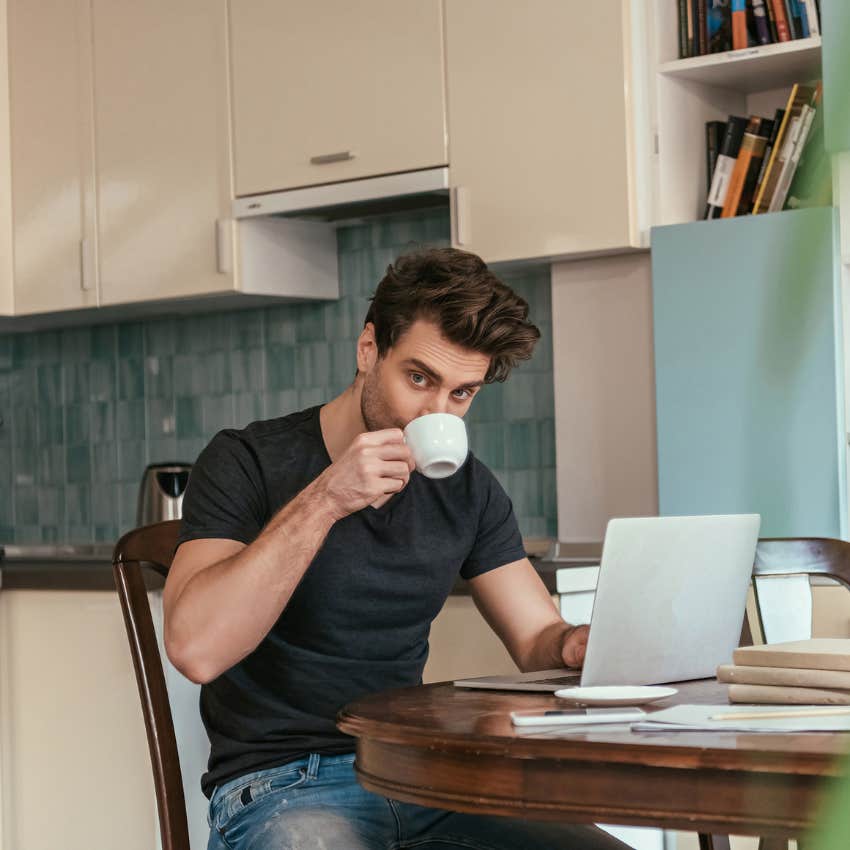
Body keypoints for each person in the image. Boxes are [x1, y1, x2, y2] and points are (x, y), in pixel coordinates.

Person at [165, 248, 629, 850]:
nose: (437, 411)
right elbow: (196, 650)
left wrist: (572, 644)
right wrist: (328, 498)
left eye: (462, 394)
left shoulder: (468, 489)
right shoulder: (247, 461)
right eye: (419, 379)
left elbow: (536, 638)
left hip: (426, 776)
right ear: (367, 350)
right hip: (281, 785)